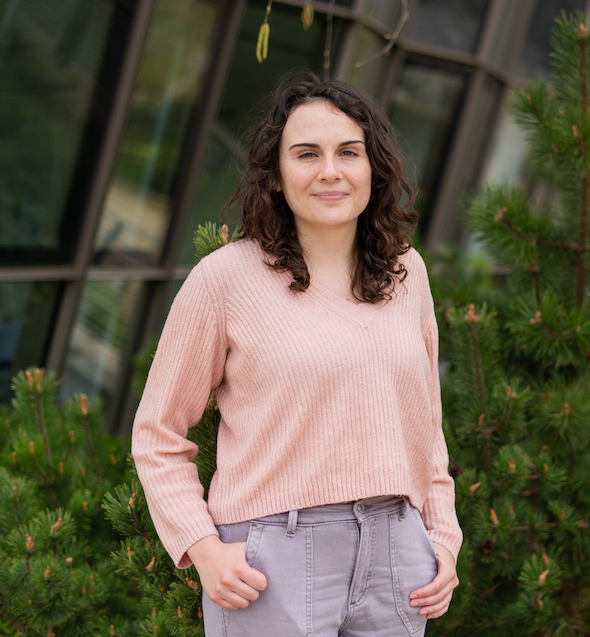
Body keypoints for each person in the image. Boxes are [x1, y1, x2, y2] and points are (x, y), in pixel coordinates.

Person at [131, 74, 462, 636]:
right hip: (272, 561)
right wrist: (204, 548)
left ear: (372, 169)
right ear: (277, 176)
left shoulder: (409, 274)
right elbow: (158, 434)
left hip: (399, 559)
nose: (329, 171)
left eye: (348, 153)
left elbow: (425, 427)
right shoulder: (225, 280)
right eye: (307, 154)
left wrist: (442, 541)